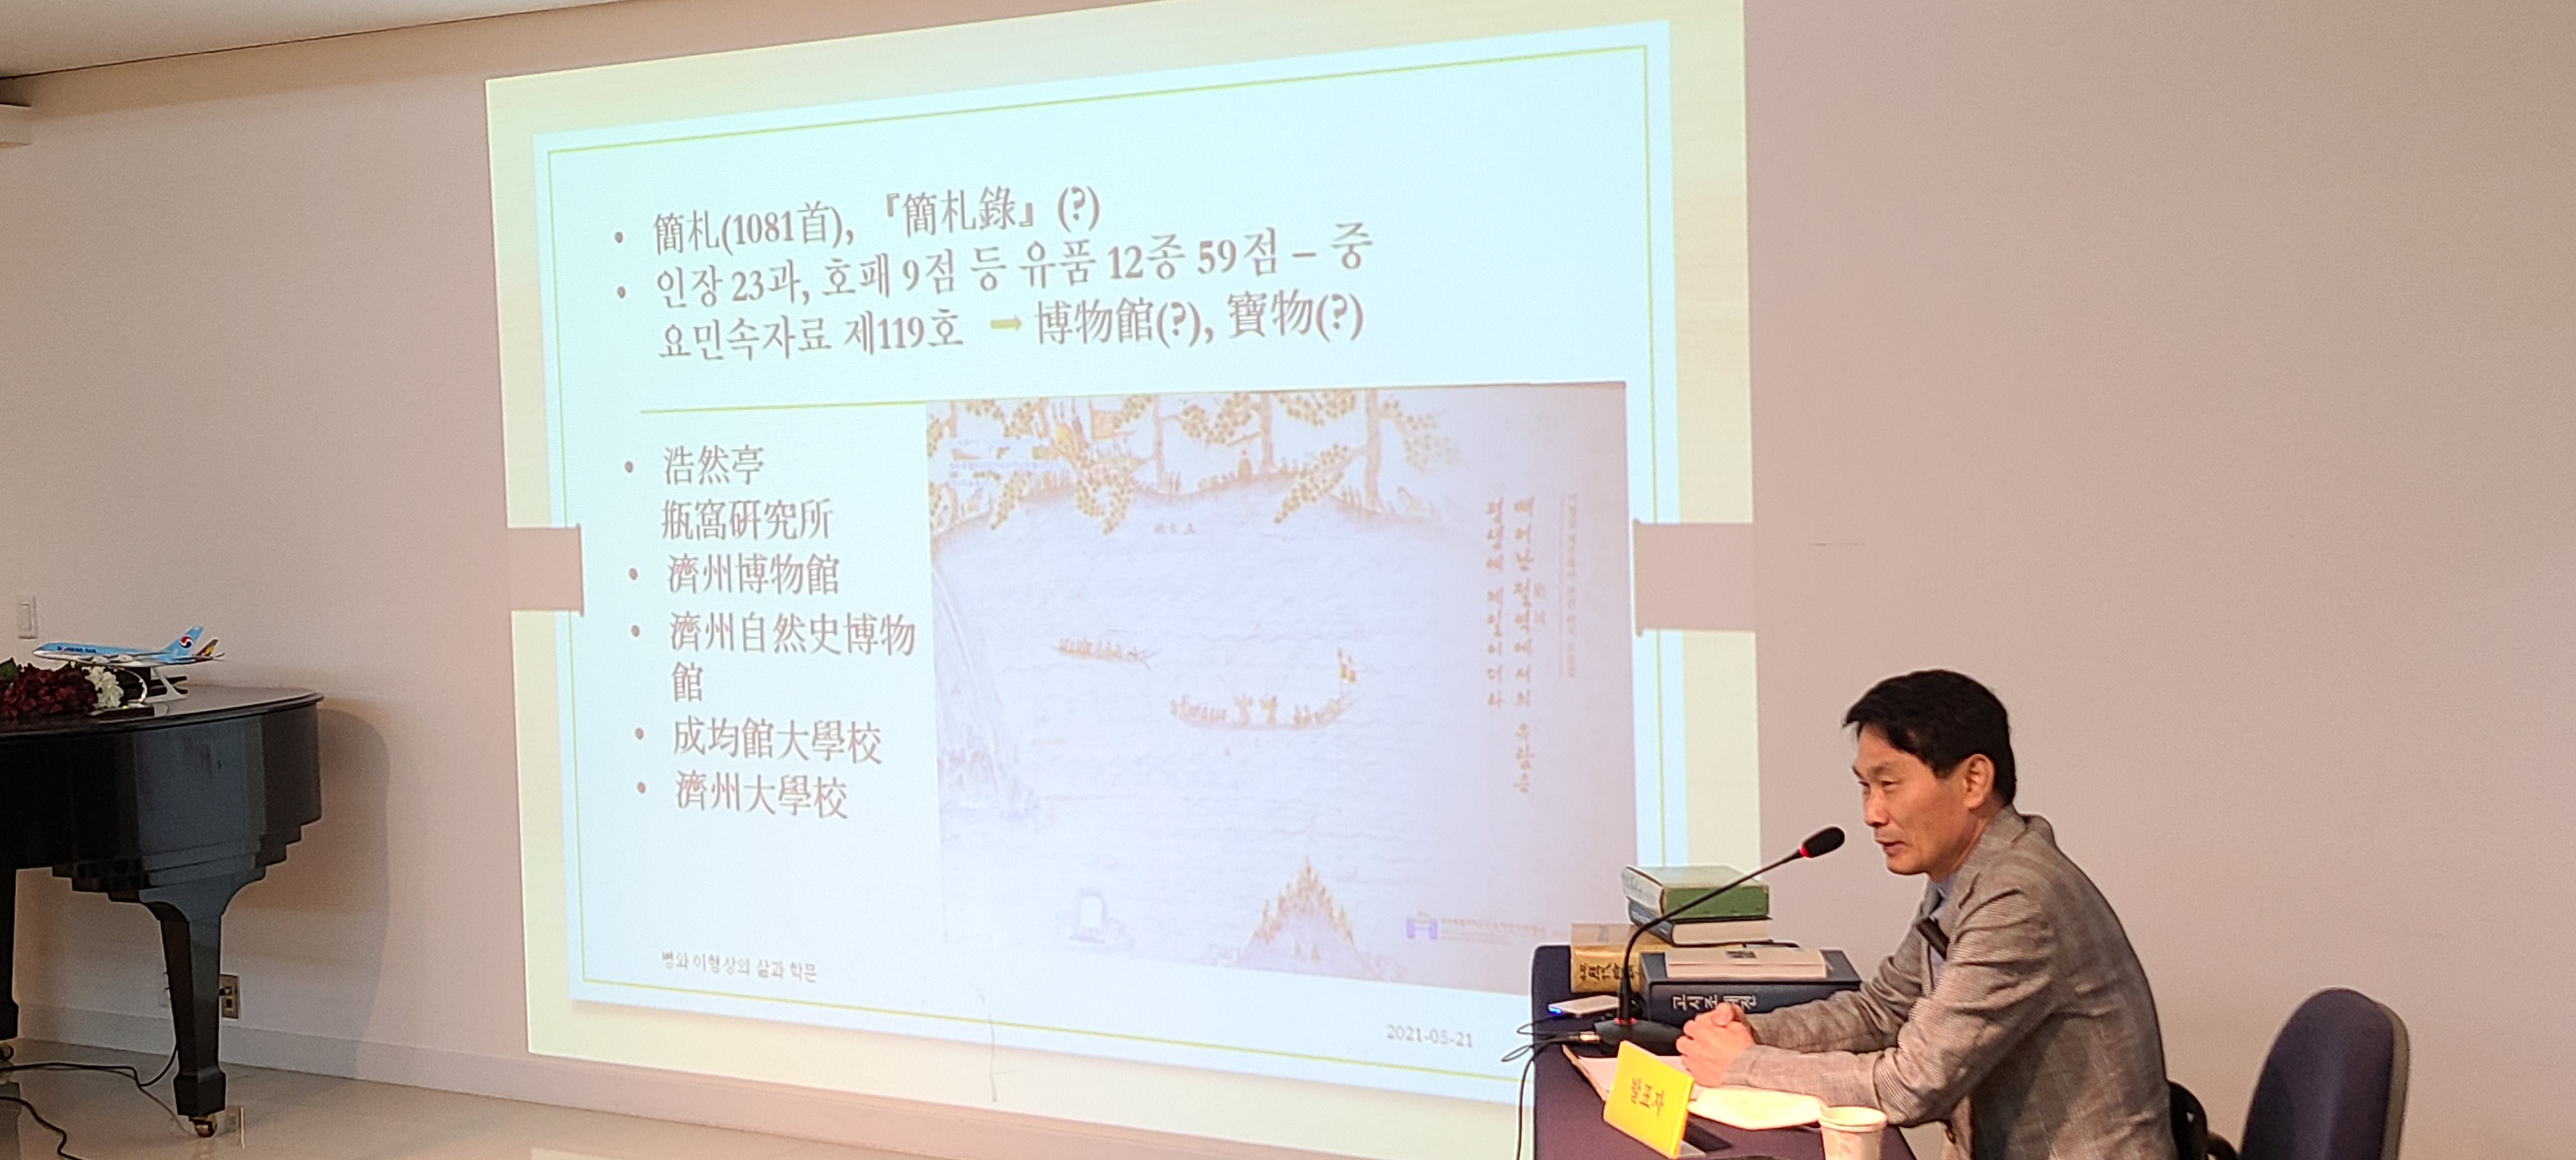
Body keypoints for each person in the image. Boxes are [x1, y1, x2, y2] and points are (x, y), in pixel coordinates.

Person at [1674, 670, 2174, 1160]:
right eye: (1865, 787)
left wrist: (1745, 1064)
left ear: (1973, 781)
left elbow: (1911, 1086)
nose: (1872, 813)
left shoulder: (2017, 898)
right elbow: (1883, 1011)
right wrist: (1754, 1032)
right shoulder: (1967, 875)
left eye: (1889, 784)